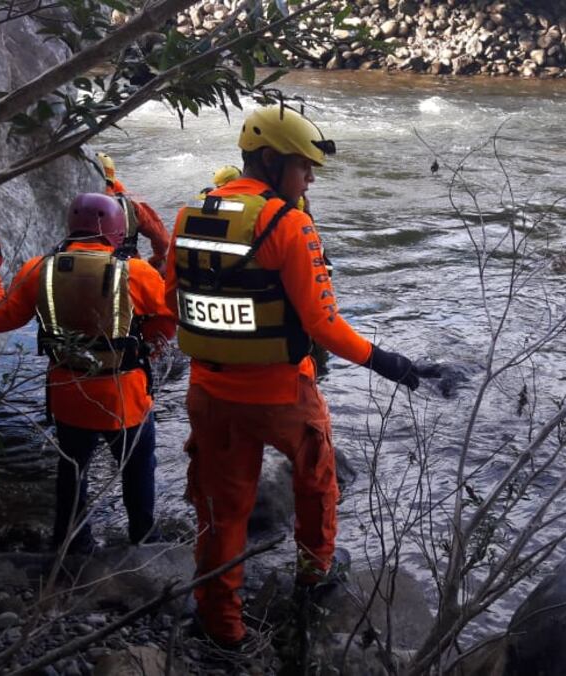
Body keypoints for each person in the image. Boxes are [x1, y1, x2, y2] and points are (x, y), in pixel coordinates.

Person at [164, 104, 420, 646]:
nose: (309, 180)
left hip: (209, 392)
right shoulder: (289, 223)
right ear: (269, 160)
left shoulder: (189, 218)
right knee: (316, 481)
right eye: (304, 168)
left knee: (222, 509)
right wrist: (386, 361)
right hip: (282, 393)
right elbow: (323, 325)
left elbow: (172, 300)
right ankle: (316, 571)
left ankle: (222, 623)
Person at [0, 193, 176, 553]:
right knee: (137, 468)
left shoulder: (38, 269)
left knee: (73, 470)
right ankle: (144, 540)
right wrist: (147, 339)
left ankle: (71, 542)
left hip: (68, 393)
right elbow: (169, 322)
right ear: (115, 231)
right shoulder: (137, 273)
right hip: (123, 396)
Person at [96, 151, 173, 276]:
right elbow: (161, 239)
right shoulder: (131, 204)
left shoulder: (70, 200)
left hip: (76, 268)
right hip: (126, 269)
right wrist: (157, 259)